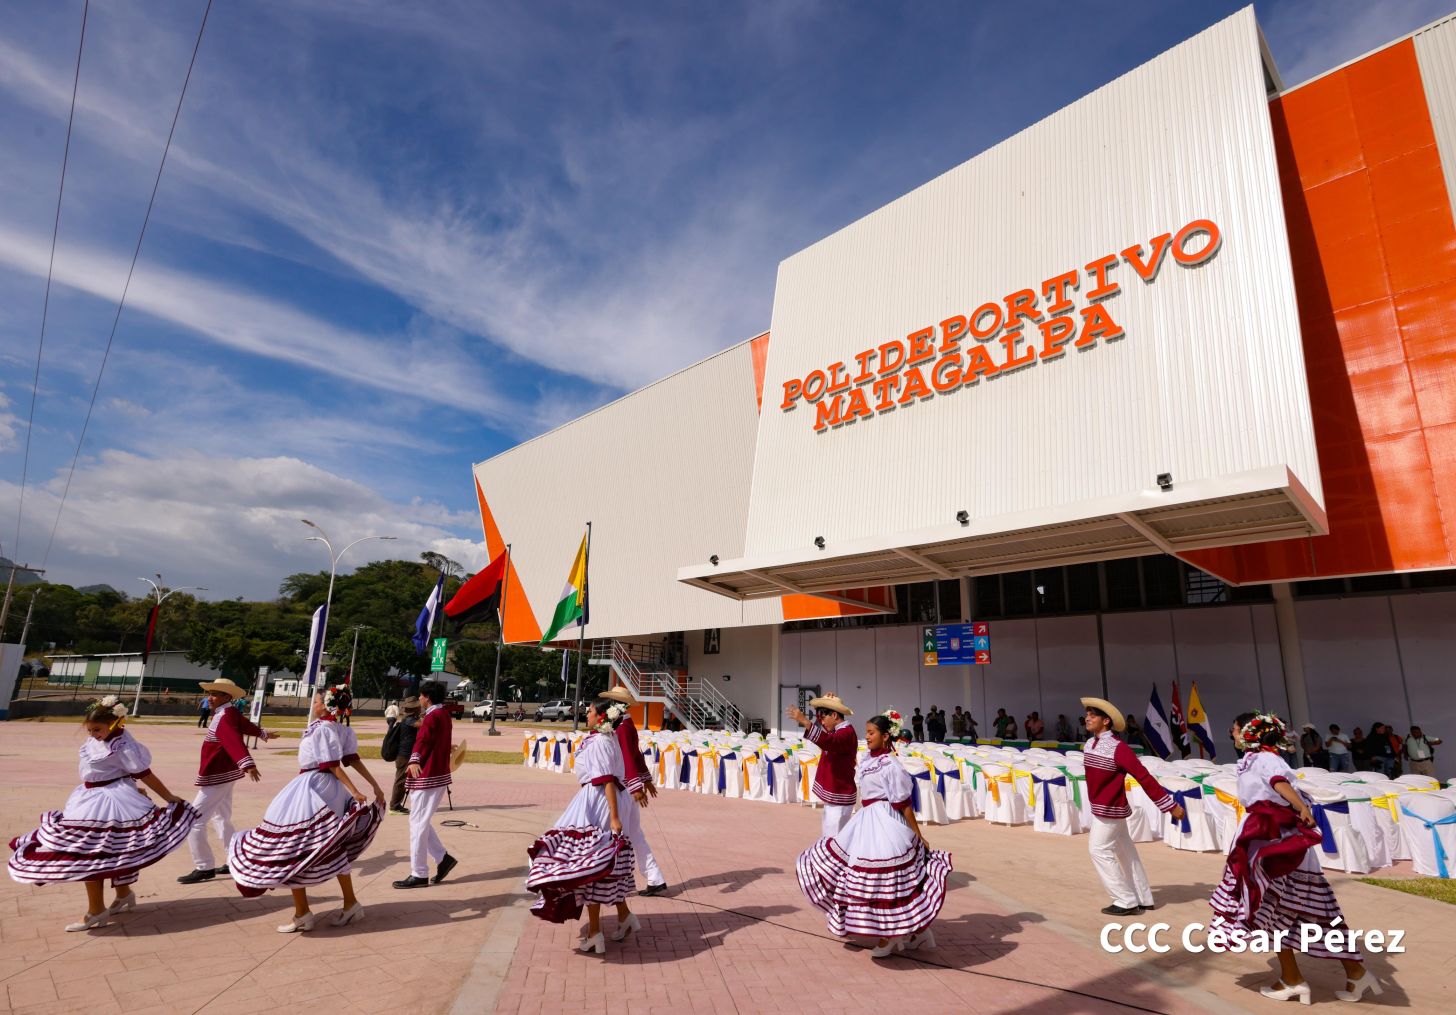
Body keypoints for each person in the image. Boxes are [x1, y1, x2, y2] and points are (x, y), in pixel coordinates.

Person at [1209, 713, 1380, 1004]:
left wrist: (1301, 807)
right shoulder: (1254, 759)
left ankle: (1307, 977)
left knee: (1282, 908)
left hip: (1274, 839)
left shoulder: (1266, 758)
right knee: (1284, 912)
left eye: (1235, 729)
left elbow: (1279, 783)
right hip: (1264, 834)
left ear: (1253, 732)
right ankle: (1322, 975)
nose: (1233, 733)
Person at [8, 697, 197, 932]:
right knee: (112, 849)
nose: (93, 734)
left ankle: (96, 911)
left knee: (90, 852)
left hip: (106, 800)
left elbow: (144, 773)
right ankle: (124, 894)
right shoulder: (100, 740)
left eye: (97, 729)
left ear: (116, 723)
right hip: (91, 796)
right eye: (90, 730)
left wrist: (168, 797)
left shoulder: (123, 745)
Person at [228, 690, 384, 931]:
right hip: (325, 787)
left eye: (318, 701)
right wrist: (373, 785)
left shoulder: (324, 729)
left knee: (294, 846)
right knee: (326, 844)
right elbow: (352, 759)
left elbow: (332, 764)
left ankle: (305, 912)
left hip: (315, 787)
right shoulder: (339, 729)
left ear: (327, 707)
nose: (314, 704)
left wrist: (355, 790)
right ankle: (343, 905)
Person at [798, 714, 951, 958]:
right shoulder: (868, 759)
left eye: (872, 733)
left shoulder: (891, 765)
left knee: (889, 882)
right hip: (867, 818)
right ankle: (918, 933)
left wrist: (917, 834)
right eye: (866, 732)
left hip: (885, 822)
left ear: (885, 736)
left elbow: (903, 803)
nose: (867, 737)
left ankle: (890, 935)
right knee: (865, 875)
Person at [525, 696, 637, 952]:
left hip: (597, 801)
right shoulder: (608, 739)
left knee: (588, 865)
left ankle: (597, 931)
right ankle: (623, 916)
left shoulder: (600, 742)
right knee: (601, 864)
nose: (586, 714)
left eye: (589, 711)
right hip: (600, 798)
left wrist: (614, 816)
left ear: (601, 717)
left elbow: (607, 780)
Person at [1081, 696, 1184, 915]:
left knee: (1098, 850)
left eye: (1093, 715)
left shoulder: (1119, 748)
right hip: (1103, 807)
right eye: (1087, 714)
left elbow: (1143, 776)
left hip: (1109, 809)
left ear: (1106, 721)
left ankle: (1125, 900)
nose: (1087, 718)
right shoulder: (1090, 744)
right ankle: (1142, 897)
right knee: (1126, 852)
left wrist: (1168, 805)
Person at [180, 678, 274, 884]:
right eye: (210, 693)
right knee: (221, 817)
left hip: (217, 775)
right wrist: (263, 733)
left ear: (226, 697)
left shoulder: (224, 717)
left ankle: (203, 866)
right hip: (224, 775)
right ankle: (235, 860)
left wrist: (247, 763)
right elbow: (245, 725)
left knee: (194, 821)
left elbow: (233, 740)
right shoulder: (229, 713)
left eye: (214, 694)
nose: (209, 698)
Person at [601, 686, 668, 897]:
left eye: (613, 702)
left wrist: (636, 785)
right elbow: (636, 755)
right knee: (634, 834)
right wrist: (644, 779)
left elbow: (629, 757)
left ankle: (612, 881)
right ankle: (654, 877)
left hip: (622, 787)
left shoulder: (622, 726)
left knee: (617, 833)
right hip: (626, 784)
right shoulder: (626, 724)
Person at [393, 680, 459, 888]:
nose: (420, 699)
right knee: (419, 820)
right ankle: (442, 858)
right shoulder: (444, 714)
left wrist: (414, 760)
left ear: (427, 697)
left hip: (428, 774)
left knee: (418, 824)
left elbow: (423, 741)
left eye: (421, 696)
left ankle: (419, 872)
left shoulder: (432, 716)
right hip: (436, 773)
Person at [786, 693, 858, 838]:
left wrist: (805, 721)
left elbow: (829, 742)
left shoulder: (846, 733)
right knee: (829, 835)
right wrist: (824, 702)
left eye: (824, 718)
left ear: (834, 715)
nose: (822, 723)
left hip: (840, 794)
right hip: (836, 793)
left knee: (835, 838)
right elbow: (827, 736)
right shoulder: (838, 730)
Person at [388, 697, 422, 814]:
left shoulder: (410, 718)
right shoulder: (408, 720)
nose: (420, 707)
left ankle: (397, 805)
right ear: (414, 709)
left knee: (403, 781)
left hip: (407, 755)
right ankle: (394, 806)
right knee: (401, 781)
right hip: (404, 756)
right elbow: (422, 725)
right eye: (418, 707)